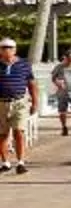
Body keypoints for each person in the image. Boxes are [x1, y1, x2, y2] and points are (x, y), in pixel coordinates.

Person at [0, 38, 33, 174]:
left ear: (15, 49)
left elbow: (31, 83)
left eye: (10, 47)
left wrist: (35, 102)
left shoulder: (24, 64)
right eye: (4, 48)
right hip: (1, 103)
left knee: (19, 132)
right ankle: (5, 163)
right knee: (2, 134)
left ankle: (20, 162)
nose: (7, 50)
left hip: (19, 102)